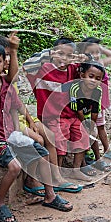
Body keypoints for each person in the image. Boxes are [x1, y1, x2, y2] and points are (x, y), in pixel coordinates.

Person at [0, 43, 72, 222]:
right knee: (15, 166)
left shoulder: (8, 87)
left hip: (12, 134)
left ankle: (50, 195)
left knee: (42, 155)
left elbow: (18, 105)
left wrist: (30, 121)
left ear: (5, 63)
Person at [0, 34, 82, 196]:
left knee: (49, 135)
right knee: (39, 140)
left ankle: (56, 177)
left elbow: (17, 101)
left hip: (20, 118)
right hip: (6, 124)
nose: (7, 61)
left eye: (5, 57)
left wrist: (29, 120)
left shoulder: (3, 76)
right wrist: (14, 50)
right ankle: (31, 180)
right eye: (5, 56)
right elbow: (13, 77)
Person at [23, 37, 92, 181]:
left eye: (68, 56)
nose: (63, 59)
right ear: (52, 53)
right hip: (51, 116)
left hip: (71, 114)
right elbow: (26, 65)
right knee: (59, 142)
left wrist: (84, 57)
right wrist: (48, 53)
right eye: (60, 54)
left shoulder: (72, 70)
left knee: (83, 136)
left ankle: (76, 169)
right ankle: (57, 174)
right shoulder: (42, 70)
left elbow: (88, 65)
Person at [77, 37, 111, 161]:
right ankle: (94, 154)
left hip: (101, 103)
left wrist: (99, 47)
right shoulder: (84, 67)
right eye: (91, 52)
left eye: (97, 52)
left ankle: (107, 150)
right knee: (90, 129)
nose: (95, 55)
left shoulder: (100, 64)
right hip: (88, 104)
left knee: (101, 127)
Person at [67, 61, 111, 174]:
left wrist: (91, 125)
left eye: (98, 78)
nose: (93, 80)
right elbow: (77, 110)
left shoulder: (98, 90)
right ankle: (83, 165)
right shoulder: (75, 89)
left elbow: (95, 110)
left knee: (93, 134)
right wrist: (84, 124)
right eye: (90, 76)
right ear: (82, 76)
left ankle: (98, 159)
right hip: (74, 114)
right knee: (82, 134)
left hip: (88, 112)